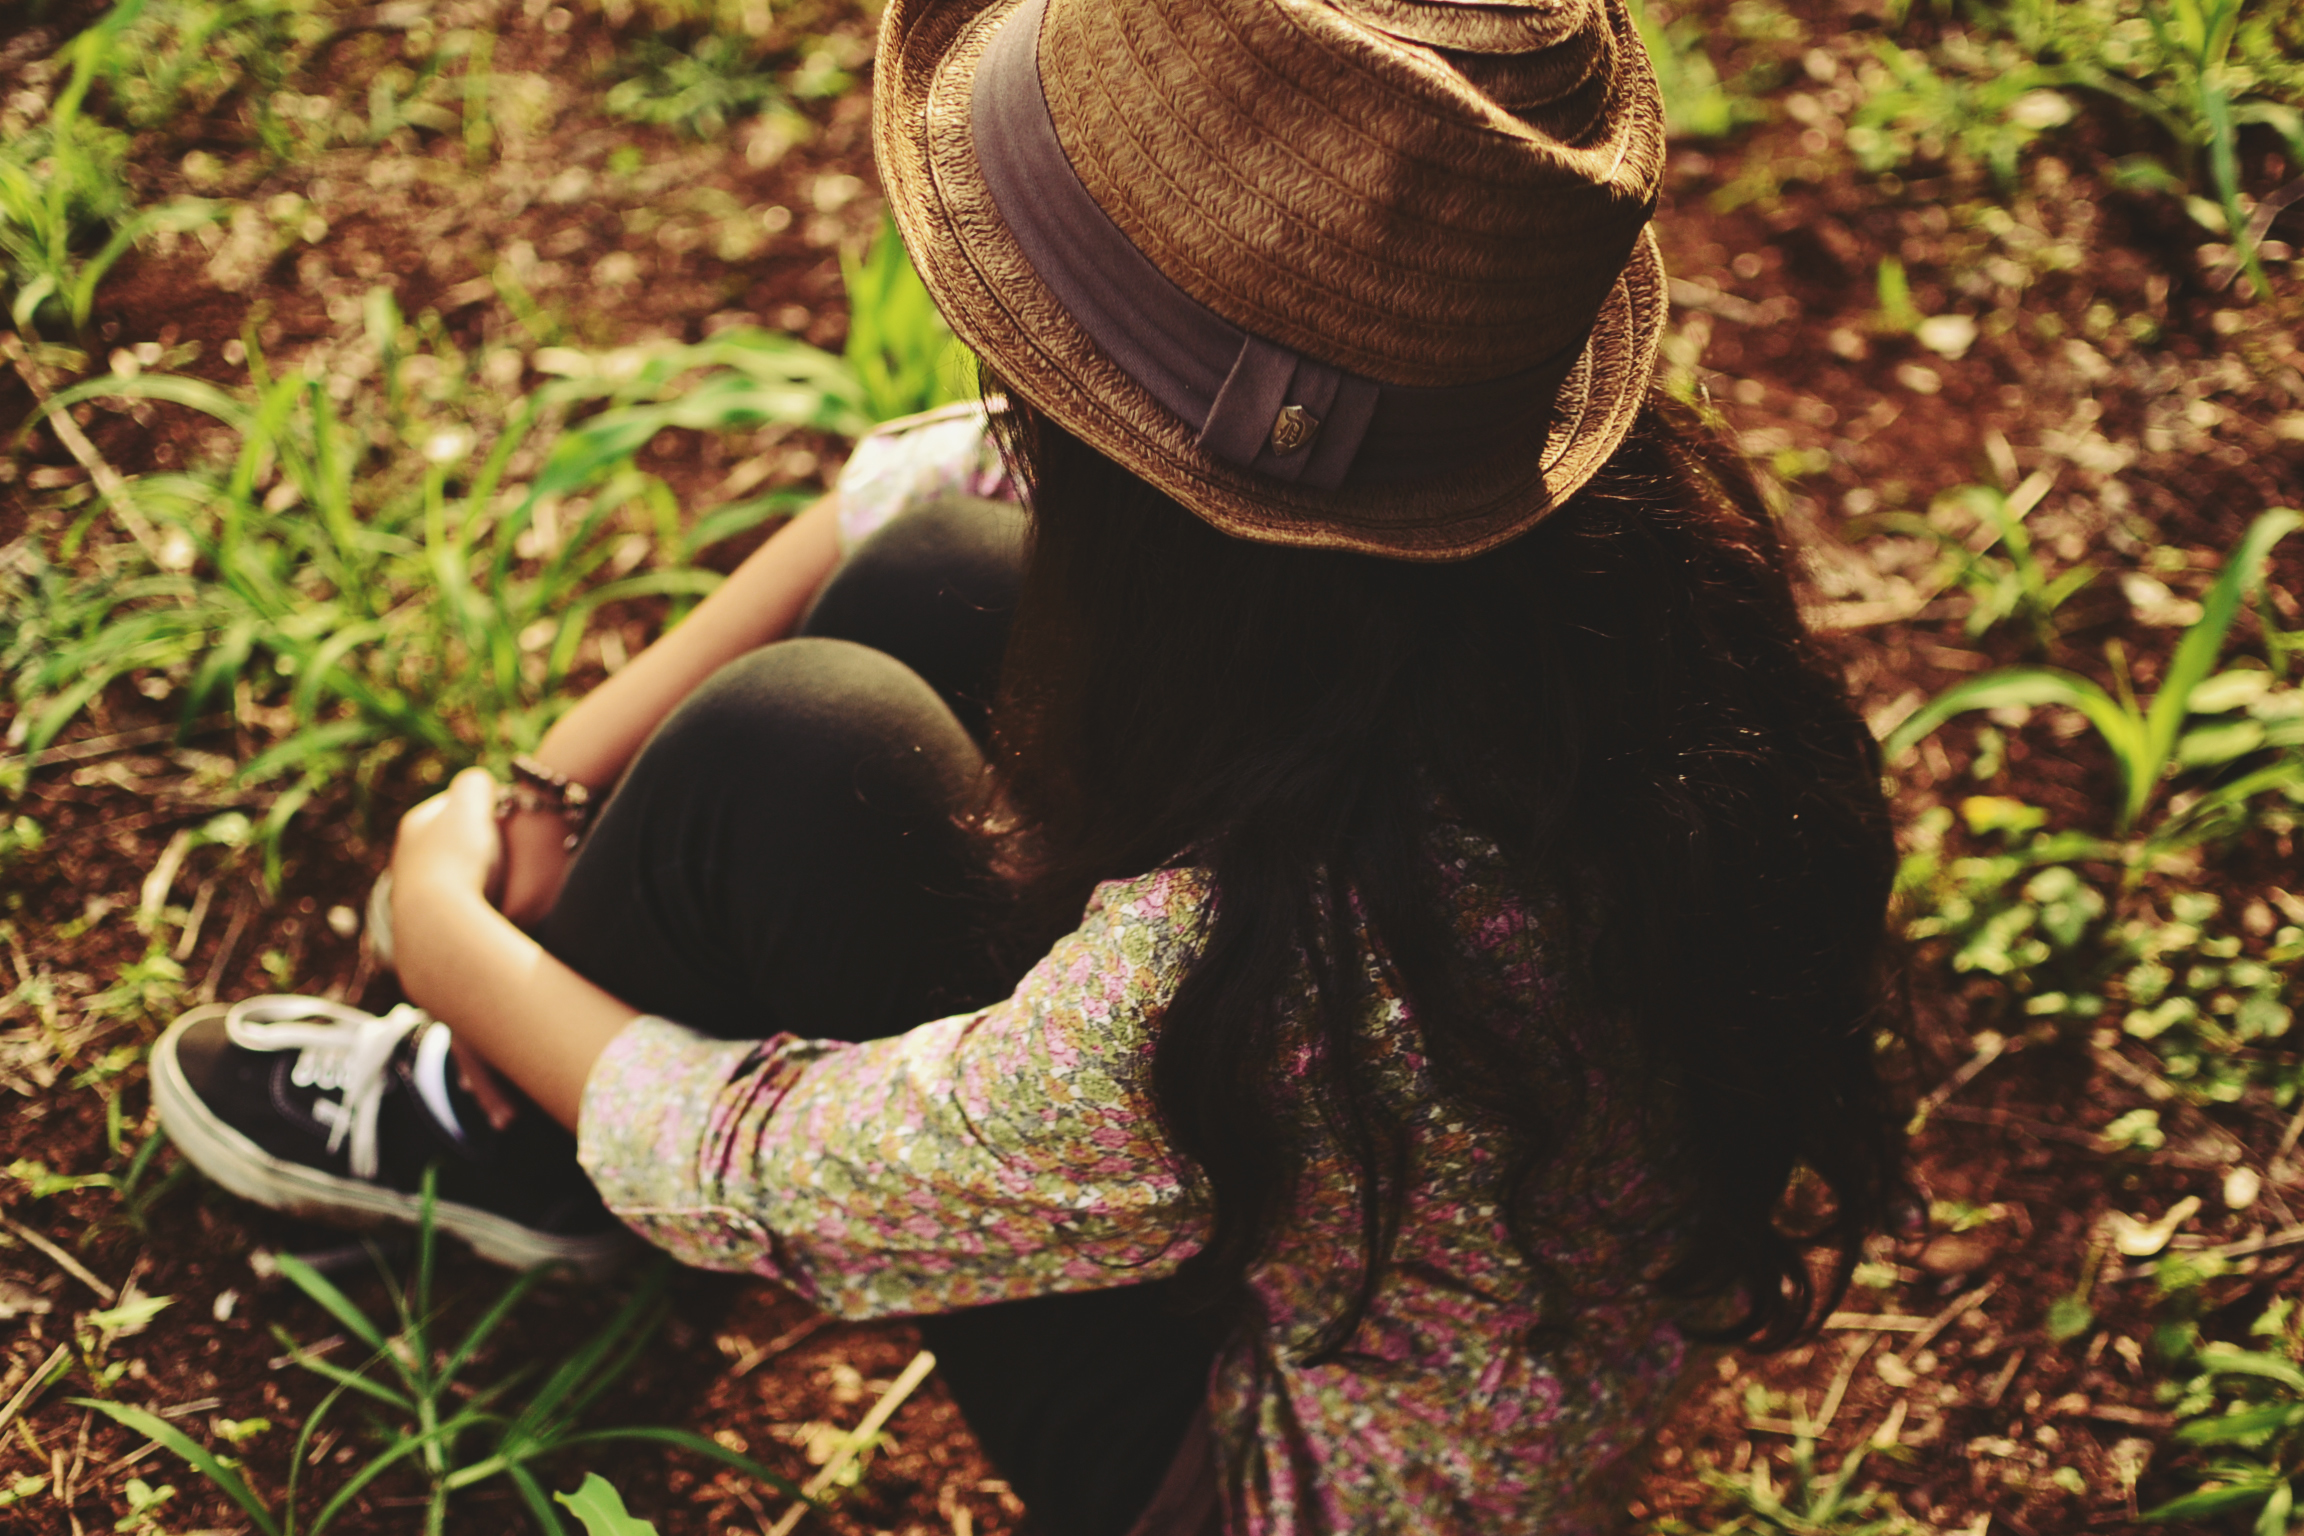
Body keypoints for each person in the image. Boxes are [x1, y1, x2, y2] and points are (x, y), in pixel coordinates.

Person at [151, 0, 1905, 1529]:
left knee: (794, 757)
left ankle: (508, 1137)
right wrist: (547, 781)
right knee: (931, 585)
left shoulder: (1263, 963)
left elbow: (777, 1175)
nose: (1007, 381)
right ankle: (526, 1095)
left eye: (1046, 370)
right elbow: (920, 493)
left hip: (1254, 1466)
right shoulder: (1565, 587)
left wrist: (455, 930)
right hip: (1379, 1243)